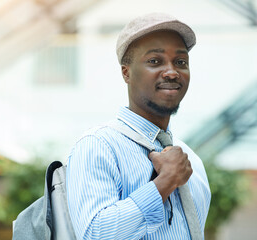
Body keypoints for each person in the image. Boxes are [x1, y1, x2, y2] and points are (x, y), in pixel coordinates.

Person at [66, 12, 211, 239]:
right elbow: (95, 234)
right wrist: (164, 183)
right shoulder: (98, 146)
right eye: (155, 61)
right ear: (126, 72)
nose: (172, 72)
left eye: (181, 62)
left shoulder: (193, 165)